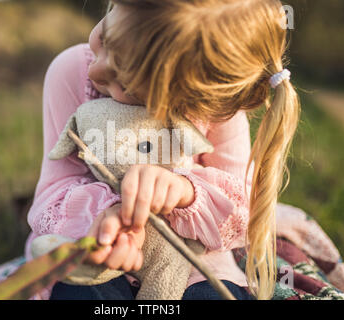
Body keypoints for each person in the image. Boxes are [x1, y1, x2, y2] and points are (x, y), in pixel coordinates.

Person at [24, 0, 300, 300]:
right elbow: (52, 194)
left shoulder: (216, 109)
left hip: (193, 261)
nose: (97, 69)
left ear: (188, 101)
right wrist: (107, 216)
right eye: (105, 38)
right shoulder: (71, 72)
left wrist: (184, 192)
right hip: (93, 251)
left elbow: (241, 214)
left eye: (126, 85)